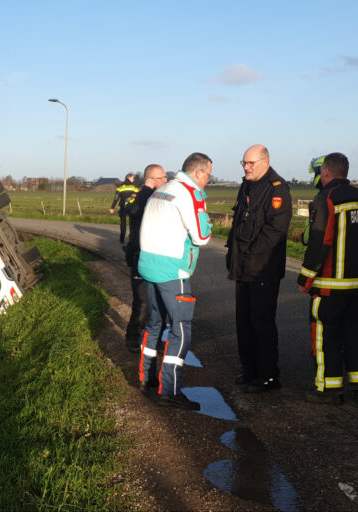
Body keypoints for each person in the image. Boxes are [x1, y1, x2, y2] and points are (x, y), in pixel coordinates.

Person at [138, 153, 213, 410]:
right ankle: (169, 391)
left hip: (148, 266)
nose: (208, 180)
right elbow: (202, 237)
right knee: (180, 331)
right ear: (200, 173)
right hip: (173, 271)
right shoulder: (190, 193)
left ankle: (145, 378)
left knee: (154, 324)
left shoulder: (164, 189)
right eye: (209, 175)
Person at [226, 144, 292, 393]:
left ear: (265, 161)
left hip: (263, 267)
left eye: (251, 163)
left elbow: (275, 230)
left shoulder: (278, 188)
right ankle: (250, 369)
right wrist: (234, 255)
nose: (246, 168)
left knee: (261, 323)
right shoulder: (247, 185)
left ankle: (268, 375)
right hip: (242, 266)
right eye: (243, 163)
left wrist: (251, 255)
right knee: (243, 322)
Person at [297, 152, 358, 404]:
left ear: (326, 172)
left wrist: (305, 277)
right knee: (354, 334)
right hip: (356, 286)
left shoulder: (326, 198)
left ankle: (328, 388)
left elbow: (321, 240)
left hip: (330, 286)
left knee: (324, 336)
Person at [124, 164, 169, 351]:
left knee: (160, 302)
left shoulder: (163, 197)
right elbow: (133, 212)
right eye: (162, 178)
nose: (165, 181)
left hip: (160, 257)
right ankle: (132, 337)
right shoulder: (139, 196)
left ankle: (155, 339)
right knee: (142, 302)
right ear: (151, 179)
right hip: (139, 256)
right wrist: (146, 189)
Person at [110, 173, 139, 244]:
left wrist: (112, 208)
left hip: (122, 207)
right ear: (129, 177)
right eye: (133, 178)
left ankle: (122, 238)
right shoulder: (134, 187)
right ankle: (131, 238)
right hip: (132, 208)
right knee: (132, 223)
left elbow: (116, 198)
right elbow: (138, 196)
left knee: (123, 223)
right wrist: (130, 198)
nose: (134, 179)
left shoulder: (120, 187)